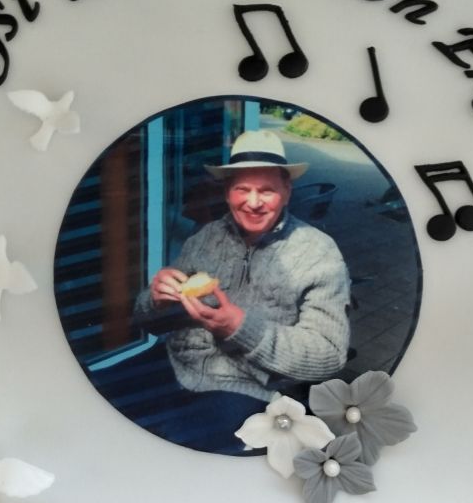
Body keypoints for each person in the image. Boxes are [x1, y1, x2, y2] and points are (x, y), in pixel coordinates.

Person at [133, 130, 351, 425]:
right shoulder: (205, 237)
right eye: (242, 189)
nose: (253, 202)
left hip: (245, 390)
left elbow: (330, 355)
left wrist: (241, 328)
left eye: (267, 191)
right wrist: (154, 301)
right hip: (172, 366)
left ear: (287, 192)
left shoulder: (318, 252)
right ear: (227, 192)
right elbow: (146, 322)